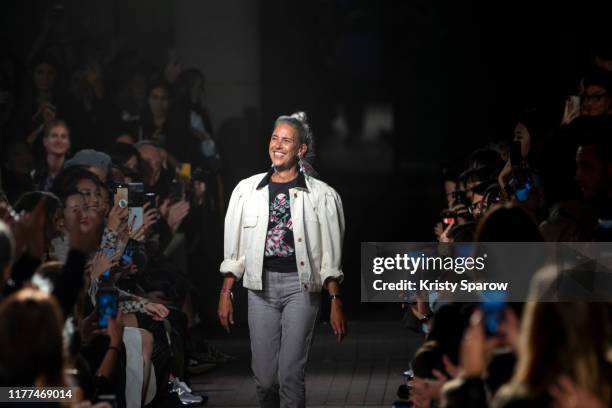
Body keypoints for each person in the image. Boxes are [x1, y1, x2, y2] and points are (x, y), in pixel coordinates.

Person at [217, 111, 347, 408]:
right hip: (259, 289)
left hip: (300, 289)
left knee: (290, 376)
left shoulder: (323, 196)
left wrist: (335, 300)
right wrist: (226, 292)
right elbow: (234, 250)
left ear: (300, 149)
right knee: (265, 381)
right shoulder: (246, 191)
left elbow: (329, 254)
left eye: (286, 140)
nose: (278, 145)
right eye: (275, 138)